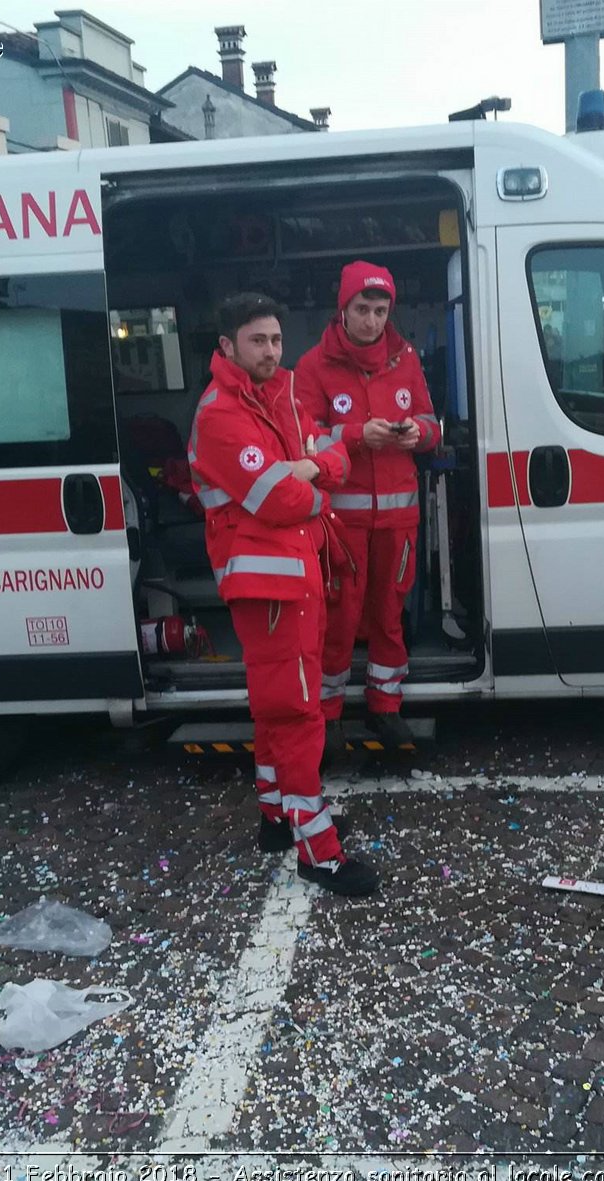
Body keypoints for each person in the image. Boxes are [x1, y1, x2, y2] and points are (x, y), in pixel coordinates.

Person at [189, 293, 378, 897]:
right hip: (269, 588)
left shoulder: (281, 398)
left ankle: (276, 817)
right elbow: (279, 498)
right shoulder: (221, 415)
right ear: (227, 347)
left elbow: (337, 455)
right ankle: (318, 851)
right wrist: (311, 480)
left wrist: (309, 468)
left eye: (275, 339)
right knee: (298, 715)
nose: (271, 351)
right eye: (257, 341)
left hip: (297, 575)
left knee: (276, 708)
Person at [296, 261, 441, 754]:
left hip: (398, 520)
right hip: (341, 523)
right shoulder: (313, 367)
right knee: (337, 618)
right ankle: (329, 718)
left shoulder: (406, 360)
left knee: (388, 614)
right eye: (363, 309)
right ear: (343, 309)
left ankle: (386, 707)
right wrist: (358, 436)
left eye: (381, 310)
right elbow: (304, 439)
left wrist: (419, 433)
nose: (373, 321)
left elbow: (430, 421)